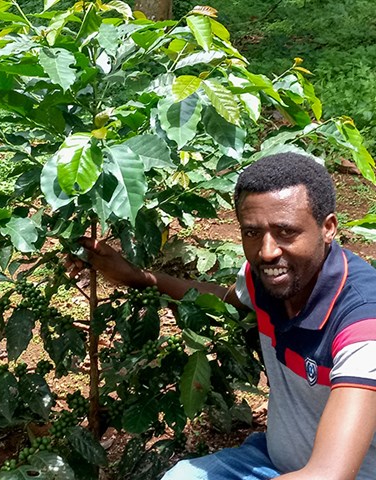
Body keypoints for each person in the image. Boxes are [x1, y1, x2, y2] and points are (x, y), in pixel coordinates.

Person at [68, 152, 376, 479]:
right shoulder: (268, 280)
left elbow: (330, 475)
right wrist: (139, 278)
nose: (267, 252)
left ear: (328, 228)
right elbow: (222, 300)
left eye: (286, 232)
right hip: (273, 461)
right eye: (252, 233)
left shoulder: (363, 323)